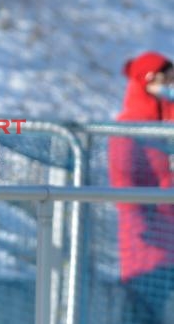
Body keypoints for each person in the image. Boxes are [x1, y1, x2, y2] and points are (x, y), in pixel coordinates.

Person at [108, 51, 174, 324]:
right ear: (146, 80)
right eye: (165, 81)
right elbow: (123, 180)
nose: (168, 88)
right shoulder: (128, 127)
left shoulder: (168, 124)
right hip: (147, 247)